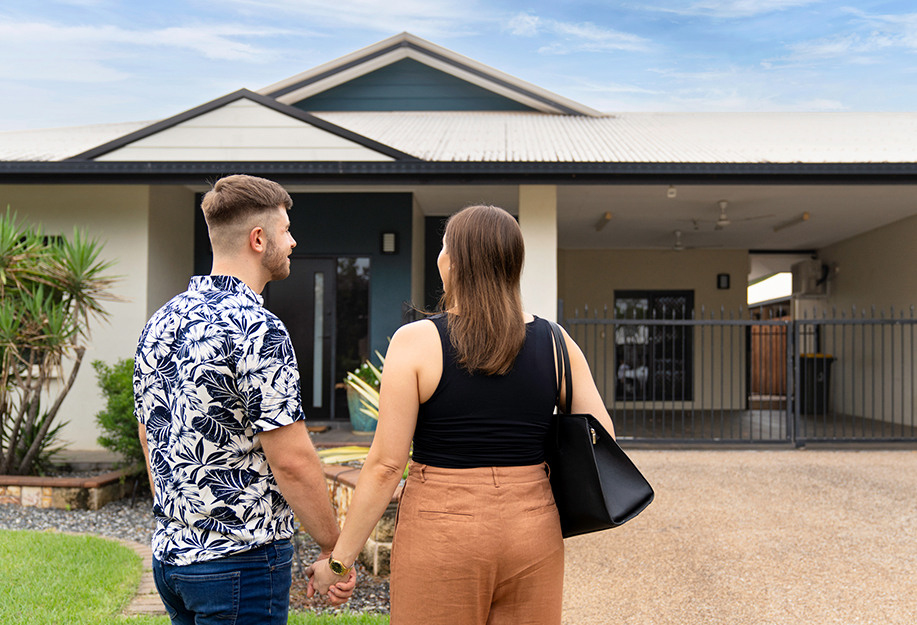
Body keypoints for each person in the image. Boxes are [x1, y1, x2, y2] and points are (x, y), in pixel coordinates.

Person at [307, 204, 616, 624]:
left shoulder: (416, 341)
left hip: (441, 528)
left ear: (452, 262)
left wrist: (339, 563)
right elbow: (602, 439)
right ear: (512, 265)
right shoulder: (557, 343)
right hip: (532, 526)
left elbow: (385, 466)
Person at [134, 174, 355, 625]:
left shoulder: (161, 320)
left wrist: (183, 522)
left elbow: (148, 432)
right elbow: (291, 461)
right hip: (240, 565)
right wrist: (334, 547)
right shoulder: (258, 328)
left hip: (172, 560)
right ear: (258, 239)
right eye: (286, 230)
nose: (292, 242)